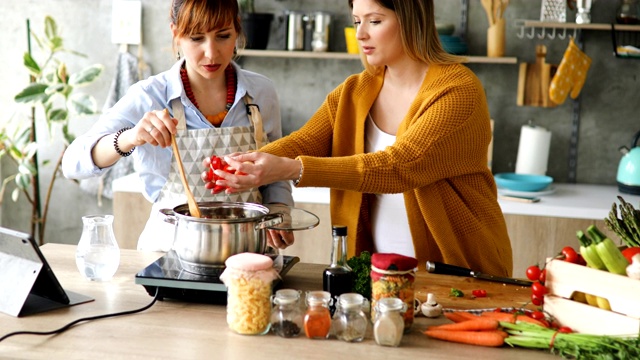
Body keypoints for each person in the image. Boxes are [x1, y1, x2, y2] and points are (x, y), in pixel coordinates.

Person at [204, 0, 513, 276]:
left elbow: (398, 167)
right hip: (381, 275)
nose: (360, 34)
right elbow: (305, 141)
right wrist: (243, 165)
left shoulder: (458, 90)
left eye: (375, 21)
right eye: (356, 21)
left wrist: (289, 169)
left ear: (411, 18)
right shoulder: (357, 89)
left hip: (459, 272)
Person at [62, 0, 293, 252]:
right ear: (176, 33)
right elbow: (72, 163)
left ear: (237, 30)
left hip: (247, 251)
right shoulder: (150, 95)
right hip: (170, 251)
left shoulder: (261, 92)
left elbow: (275, 170)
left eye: (223, 36)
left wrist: (279, 211)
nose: (211, 53)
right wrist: (130, 137)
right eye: (196, 38)